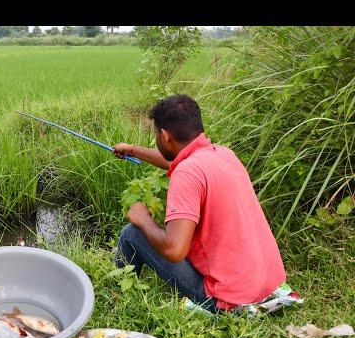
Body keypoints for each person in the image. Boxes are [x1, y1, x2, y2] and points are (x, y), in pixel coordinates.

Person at [113, 94, 286, 313]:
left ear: (165, 136)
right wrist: (132, 149)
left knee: (132, 233)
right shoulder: (224, 155)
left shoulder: (186, 173)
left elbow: (175, 250)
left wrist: (144, 220)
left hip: (228, 300)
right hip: (266, 285)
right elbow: (171, 159)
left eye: (156, 134)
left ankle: (118, 296)